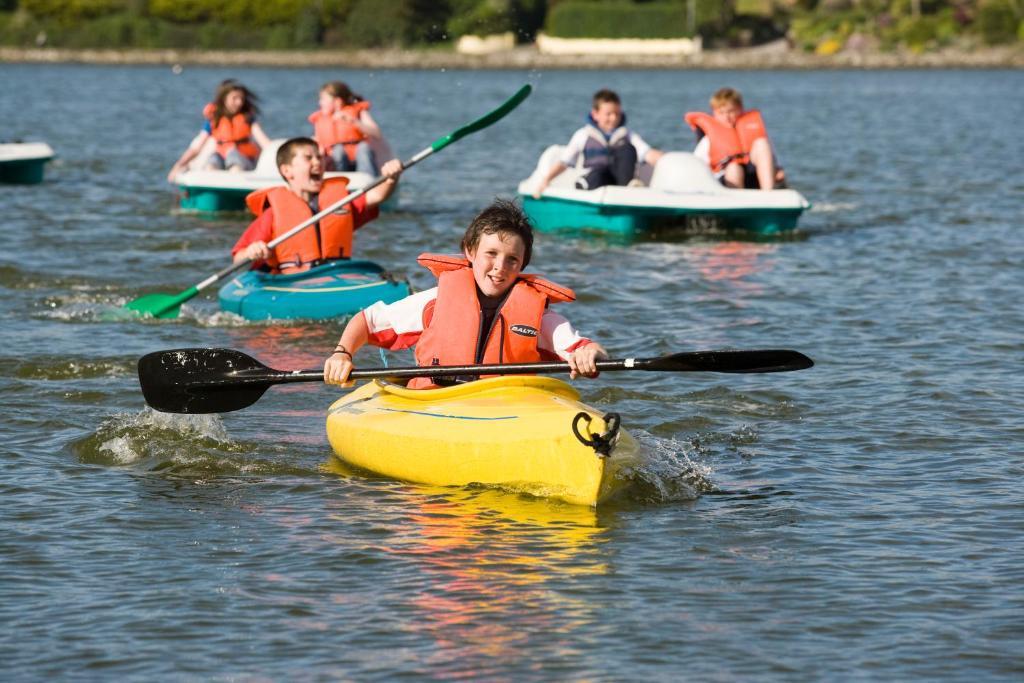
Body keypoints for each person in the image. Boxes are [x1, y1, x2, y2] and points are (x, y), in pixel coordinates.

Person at [323, 198, 608, 389]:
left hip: (505, 409)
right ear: (470, 252)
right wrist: (342, 353)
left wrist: (589, 355)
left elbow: (583, 347)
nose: (500, 267)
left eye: (512, 259)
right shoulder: (435, 301)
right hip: (437, 402)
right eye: (491, 254)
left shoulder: (540, 316)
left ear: (523, 264)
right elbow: (368, 320)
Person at [231, 137, 402, 274]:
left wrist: (391, 178)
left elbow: (377, 195)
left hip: (335, 276)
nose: (317, 162)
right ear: (287, 171)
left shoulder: (339, 202)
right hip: (291, 282)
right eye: (308, 158)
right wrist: (251, 251)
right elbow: (238, 257)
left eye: (319, 157)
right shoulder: (274, 214)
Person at [533, 89, 663, 197]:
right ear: (595, 114)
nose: (613, 118)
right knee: (599, 174)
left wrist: (667, 160)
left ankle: (628, 191)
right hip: (594, 180)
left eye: (617, 114)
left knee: (627, 149)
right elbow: (564, 162)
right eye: (608, 114)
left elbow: (647, 153)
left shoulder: (628, 134)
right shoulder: (583, 135)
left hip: (619, 183)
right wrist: (546, 180)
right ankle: (585, 186)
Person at [167, 80, 273, 181]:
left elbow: (265, 142)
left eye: (241, 98)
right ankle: (212, 190)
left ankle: (234, 187)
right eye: (234, 98)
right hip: (221, 157)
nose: (239, 102)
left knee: (233, 156)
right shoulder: (214, 120)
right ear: (224, 99)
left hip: (245, 161)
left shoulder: (248, 119)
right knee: (212, 162)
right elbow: (196, 149)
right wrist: (178, 165)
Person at [684, 87, 786, 190]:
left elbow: (770, 154)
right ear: (714, 113)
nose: (726, 117)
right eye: (721, 113)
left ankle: (769, 193)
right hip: (728, 177)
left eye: (731, 111)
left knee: (762, 143)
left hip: (754, 174)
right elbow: (697, 165)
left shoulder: (754, 131)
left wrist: (778, 169)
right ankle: (737, 202)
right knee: (734, 168)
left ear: (740, 109)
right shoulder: (708, 140)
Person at [309, 81, 388, 175]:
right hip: (334, 158)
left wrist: (354, 121)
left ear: (337, 101)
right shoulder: (319, 118)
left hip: (358, 158)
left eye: (323, 99)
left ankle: (368, 179)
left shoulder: (358, 112)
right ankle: (338, 181)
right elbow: (318, 140)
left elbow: (376, 133)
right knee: (338, 151)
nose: (320, 103)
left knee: (363, 148)